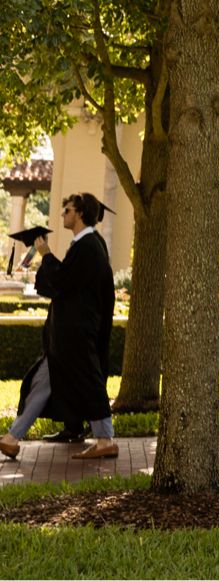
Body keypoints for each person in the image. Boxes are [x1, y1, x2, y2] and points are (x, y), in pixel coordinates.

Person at [2, 194, 119, 460]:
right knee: (43, 382)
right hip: (65, 335)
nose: (62, 213)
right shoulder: (83, 245)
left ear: (79, 213)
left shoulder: (89, 245)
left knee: (90, 380)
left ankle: (105, 439)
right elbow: (62, 284)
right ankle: (11, 438)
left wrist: (46, 254)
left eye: (67, 209)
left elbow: (64, 282)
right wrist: (47, 259)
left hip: (76, 334)